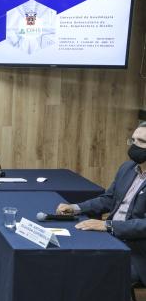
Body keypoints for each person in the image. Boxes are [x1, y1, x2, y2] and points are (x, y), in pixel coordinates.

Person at [57, 122, 146, 286]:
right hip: (111, 237)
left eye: (141, 141)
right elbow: (109, 199)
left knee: (94, 272)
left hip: (138, 251)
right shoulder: (127, 168)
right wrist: (76, 208)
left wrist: (108, 225)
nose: (134, 145)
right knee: (69, 255)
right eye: (132, 140)